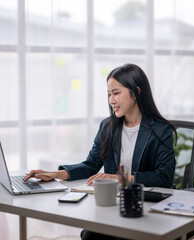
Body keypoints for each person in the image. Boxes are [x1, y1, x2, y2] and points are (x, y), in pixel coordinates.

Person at [23, 63, 176, 240]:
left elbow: (164, 177)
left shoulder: (161, 130)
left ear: (137, 92)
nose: (111, 100)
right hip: (112, 206)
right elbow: (90, 165)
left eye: (116, 93)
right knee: (90, 236)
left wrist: (120, 178)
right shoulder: (108, 126)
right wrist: (54, 174)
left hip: (143, 208)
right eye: (109, 94)